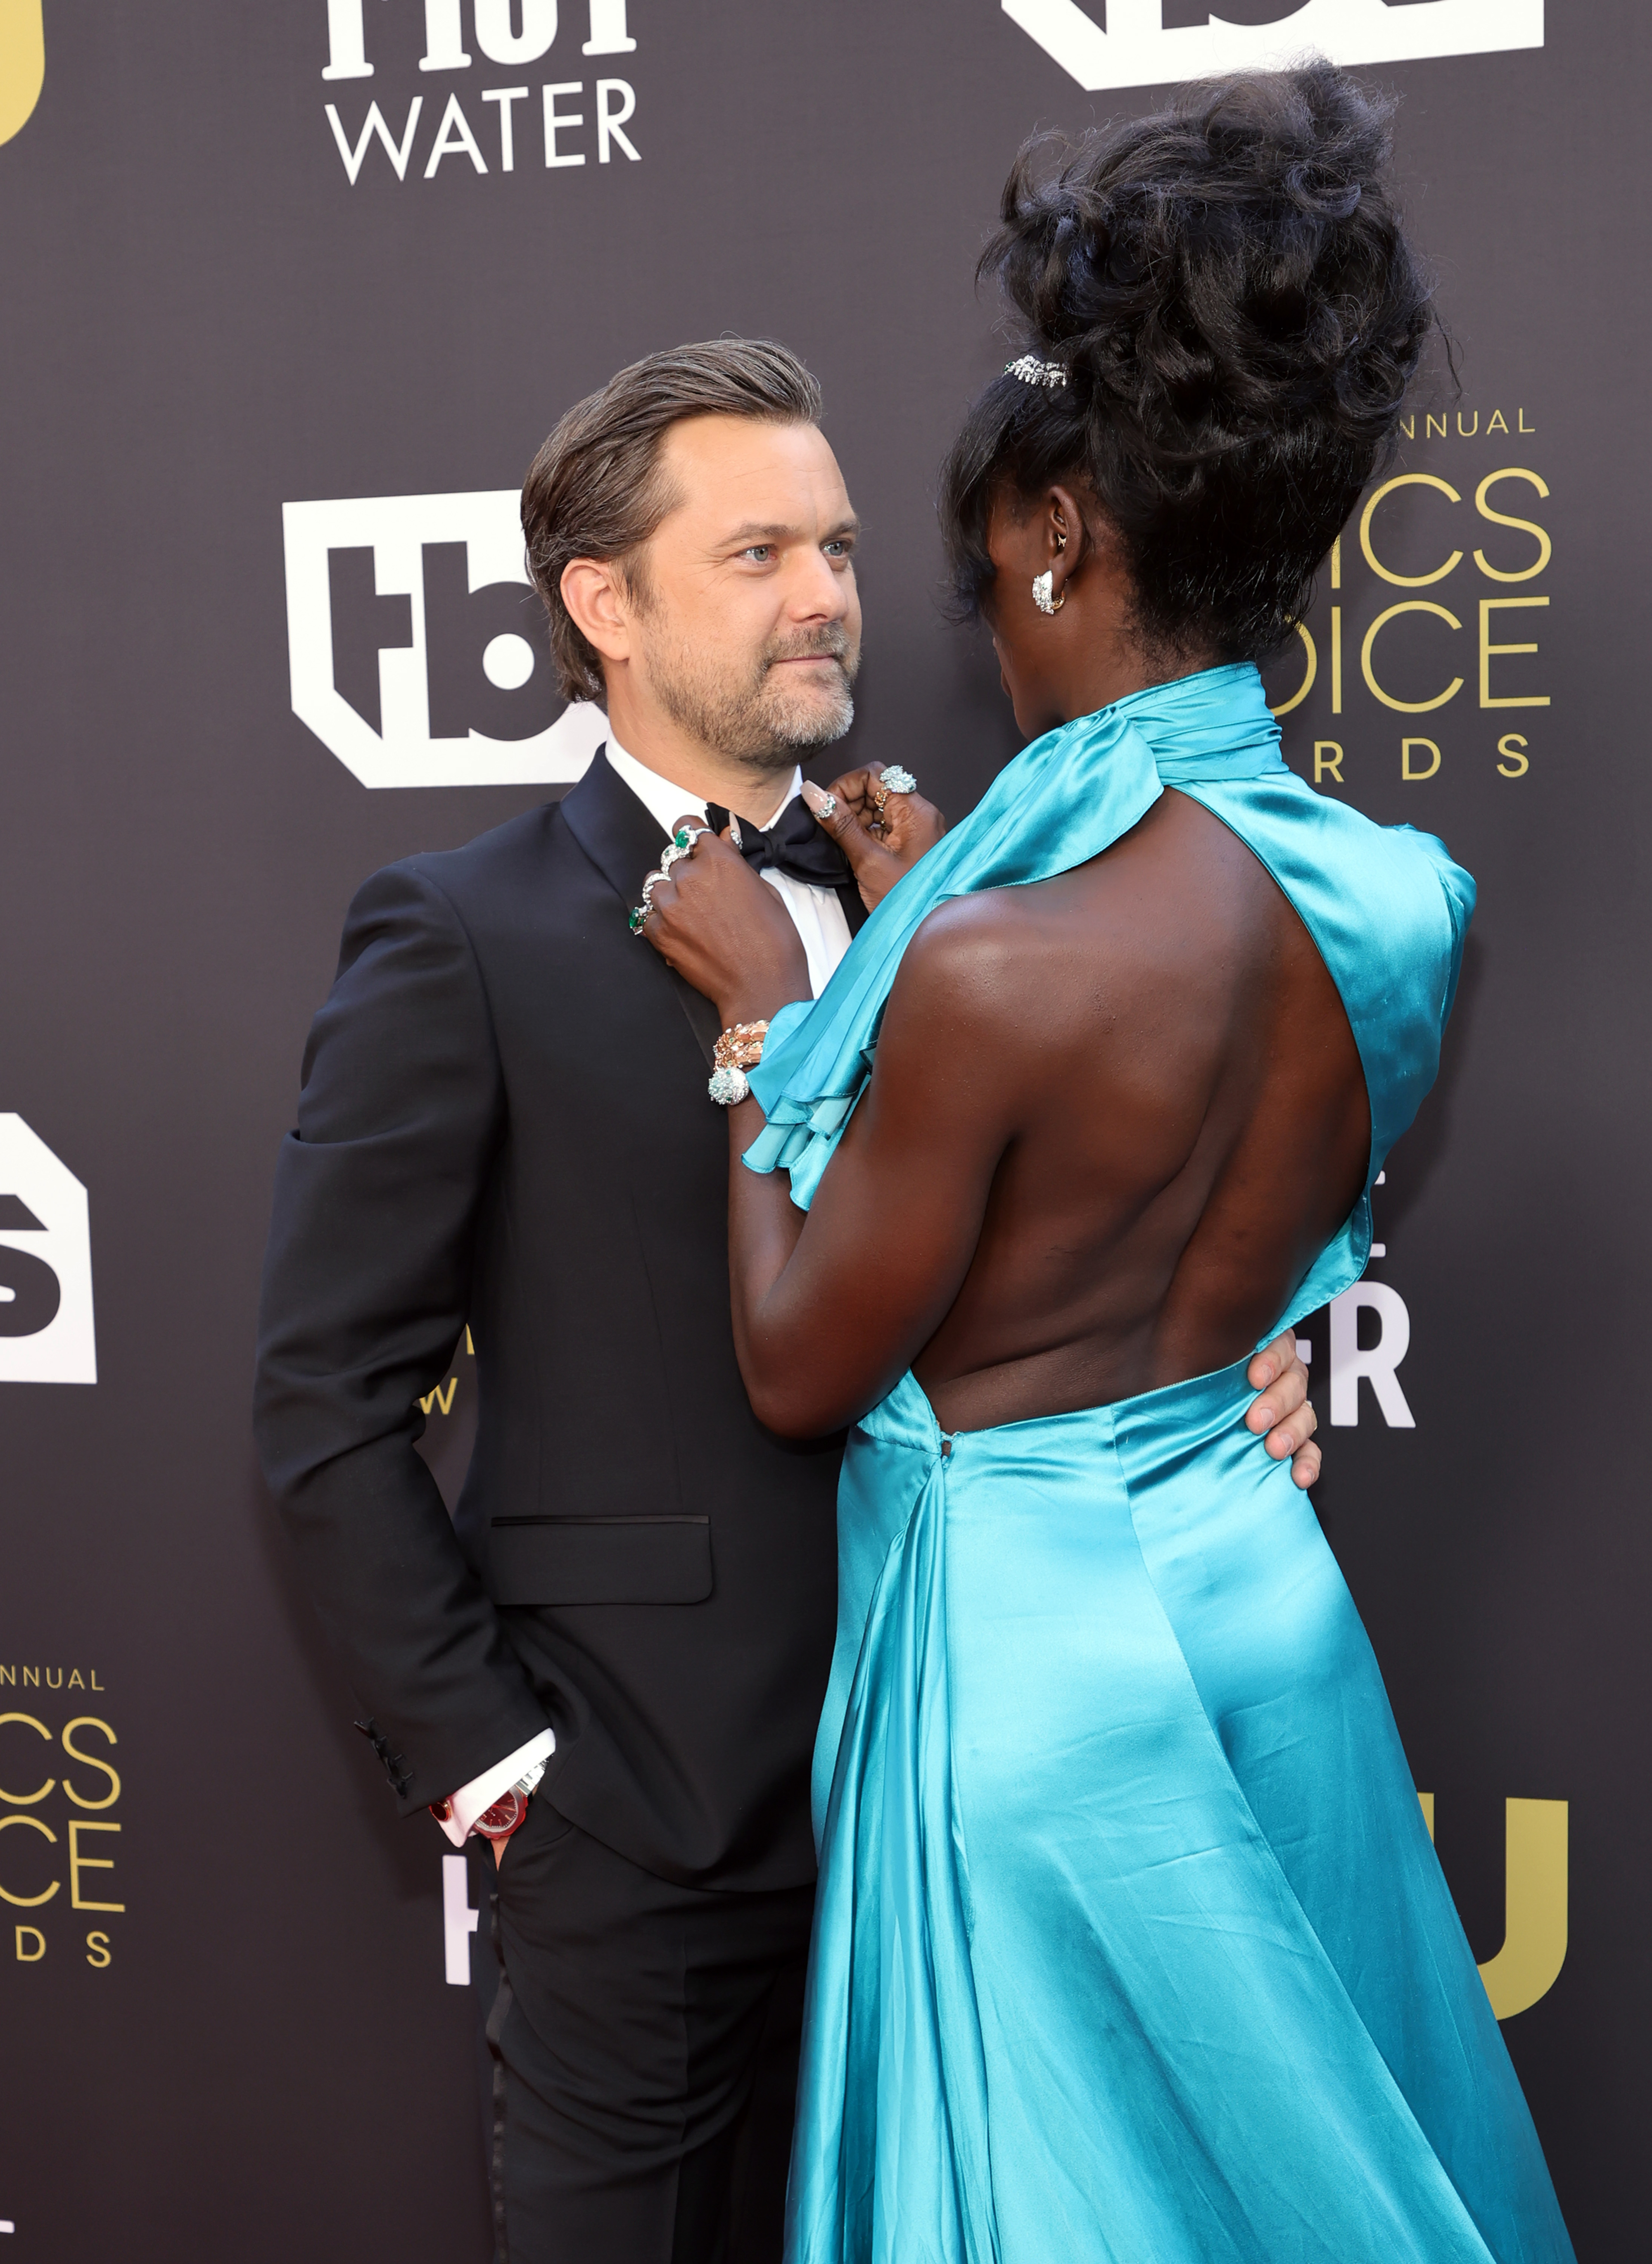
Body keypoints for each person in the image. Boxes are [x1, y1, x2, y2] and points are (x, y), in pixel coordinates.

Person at [638, 69, 1576, 2264]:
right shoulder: (1397, 899)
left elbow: (799, 1360)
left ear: (1060, 536)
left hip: (1036, 1678)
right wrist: (956, 902)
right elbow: (1188, 1153)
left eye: (984, 581)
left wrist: (763, 1016)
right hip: (1260, 1600)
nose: (983, 623)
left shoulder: (985, 975)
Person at [251, 340, 1320, 2263]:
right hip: (651, 1833)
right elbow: (325, 1399)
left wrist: (1241, 1346)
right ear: (607, 607)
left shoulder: (968, 888)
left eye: (832, 546)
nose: (825, 593)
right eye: (754, 554)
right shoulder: (462, 931)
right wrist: (510, 1774)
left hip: (970, 1792)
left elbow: (1068, 1242)